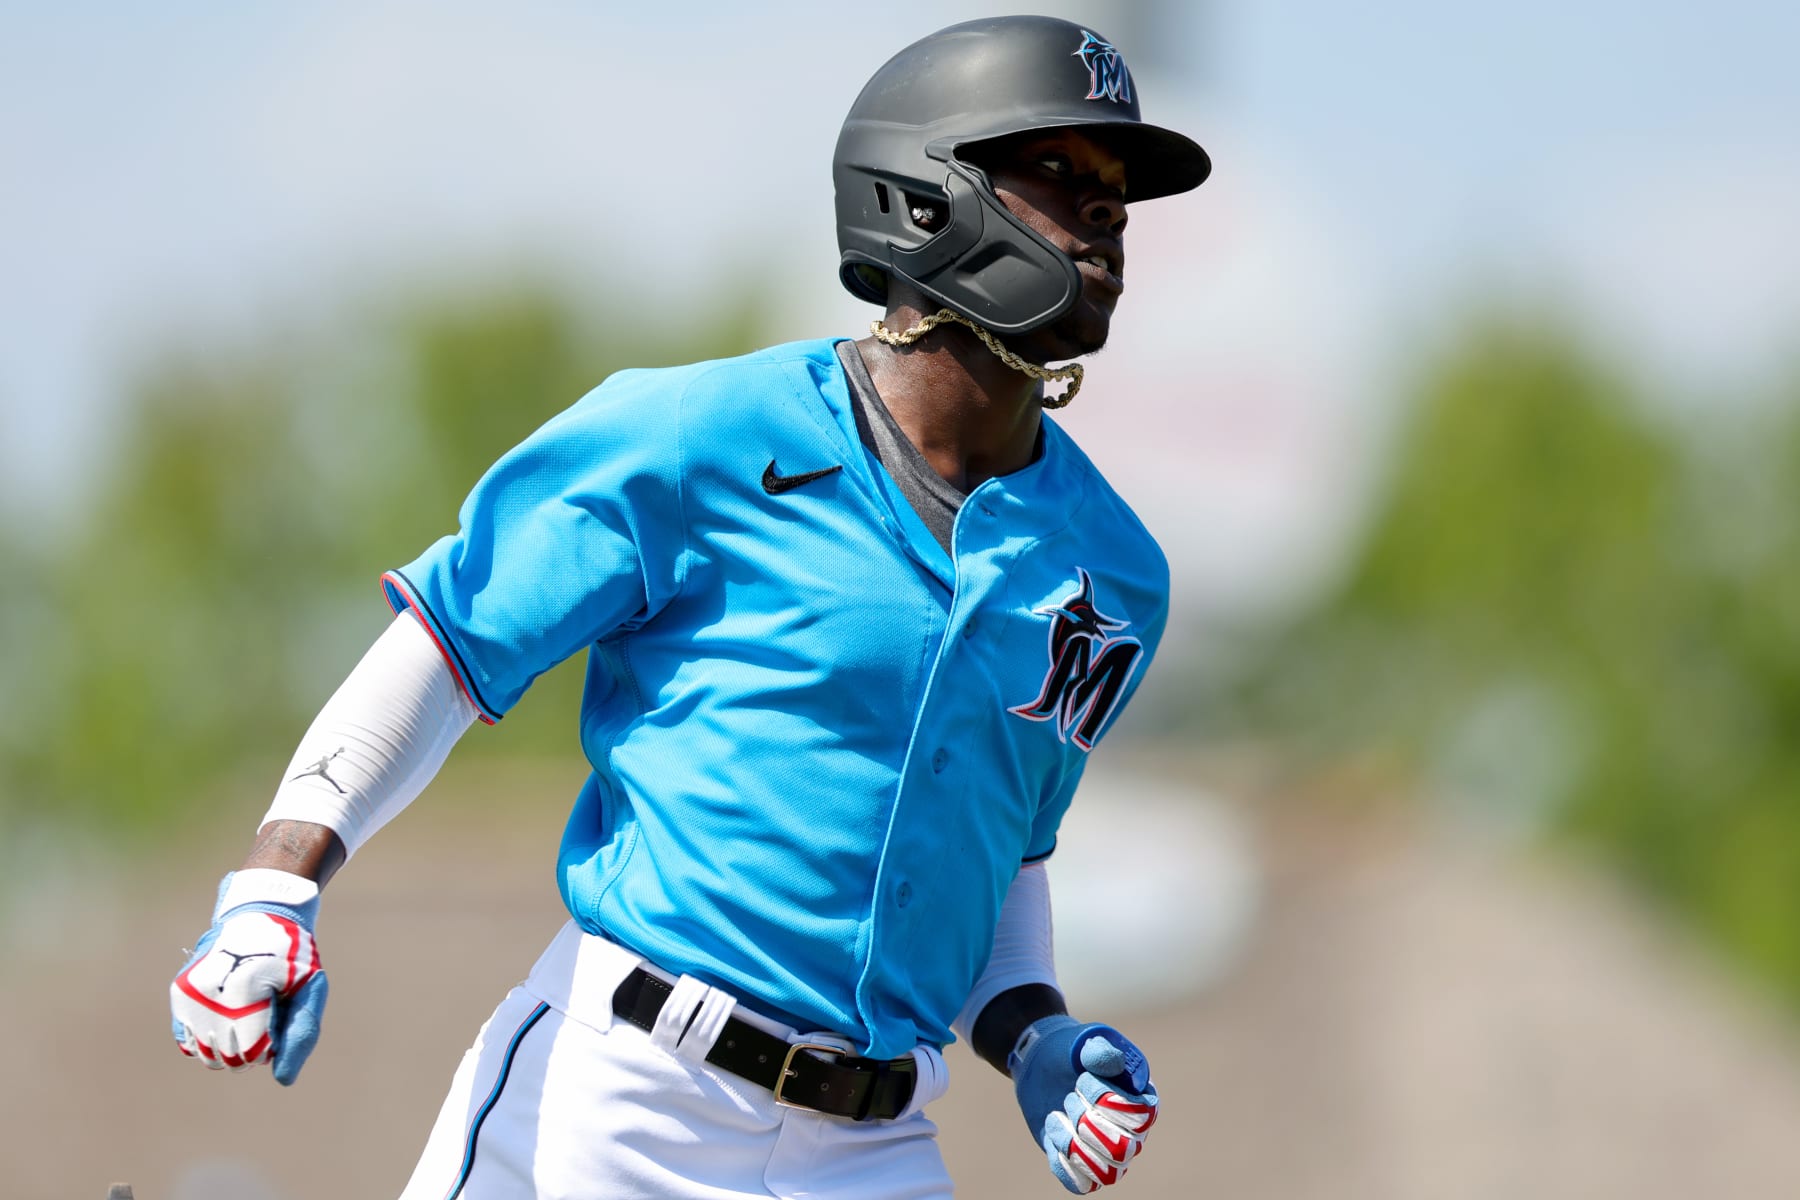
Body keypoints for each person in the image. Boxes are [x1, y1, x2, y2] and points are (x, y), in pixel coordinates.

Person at [168, 14, 1210, 1198]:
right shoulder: (700, 434)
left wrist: (1034, 1033)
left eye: (1118, 193)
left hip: (874, 1147)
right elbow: (449, 649)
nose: (1106, 214)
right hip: (618, 1104)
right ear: (925, 196)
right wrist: (277, 884)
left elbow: (1002, 851)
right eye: (1059, 170)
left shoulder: (1115, 571)